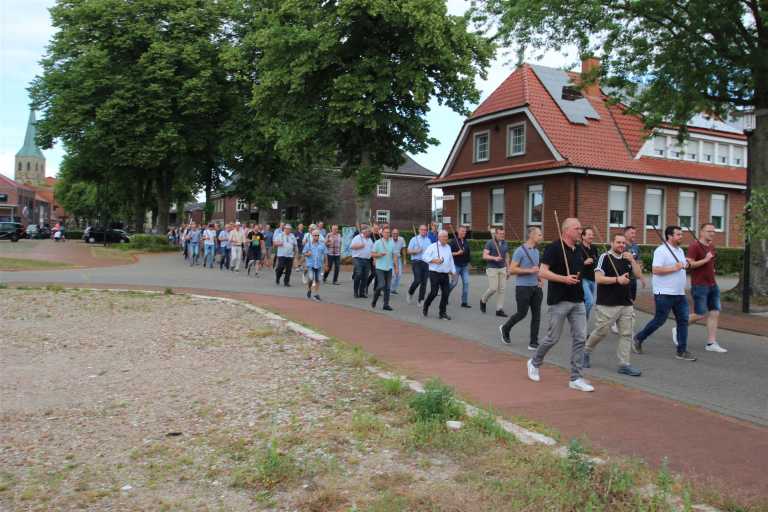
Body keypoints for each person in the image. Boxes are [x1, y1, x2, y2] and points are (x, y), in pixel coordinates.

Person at [528, 217, 594, 392]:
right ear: (566, 230)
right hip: (559, 300)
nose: (580, 231)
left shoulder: (578, 249)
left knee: (580, 338)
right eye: (577, 228)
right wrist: (564, 279)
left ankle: (576, 378)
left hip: (578, 300)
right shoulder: (554, 247)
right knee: (553, 338)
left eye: (580, 228)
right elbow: (542, 272)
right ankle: (534, 362)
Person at [582, 233, 643, 377]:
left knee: (626, 334)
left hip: (626, 303)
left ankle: (624, 364)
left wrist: (632, 260)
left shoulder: (627, 258)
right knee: (602, 331)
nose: (621, 245)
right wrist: (617, 279)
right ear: (612, 243)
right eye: (618, 242)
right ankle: (585, 351)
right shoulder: (605, 257)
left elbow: (638, 274)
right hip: (607, 303)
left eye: (623, 243)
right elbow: (598, 278)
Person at [633, 225, 697, 361]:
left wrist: (686, 264)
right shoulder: (661, 250)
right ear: (670, 236)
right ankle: (639, 338)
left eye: (681, 234)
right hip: (664, 293)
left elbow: (682, 266)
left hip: (679, 293)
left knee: (683, 321)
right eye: (678, 234)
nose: (681, 237)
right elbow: (655, 270)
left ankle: (681, 350)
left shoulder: (679, 251)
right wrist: (675, 267)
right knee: (659, 320)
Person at [685, 223, 727, 352]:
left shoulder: (711, 246)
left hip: (713, 284)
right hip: (699, 285)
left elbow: (710, 263)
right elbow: (689, 265)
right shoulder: (694, 246)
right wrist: (705, 259)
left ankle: (711, 343)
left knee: (715, 312)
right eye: (709, 231)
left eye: (713, 231)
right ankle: (680, 327)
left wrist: (711, 267)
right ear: (701, 232)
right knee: (700, 314)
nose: (712, 233)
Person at [499, 226, 543, 350]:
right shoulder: (520, 251)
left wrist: (540, 279)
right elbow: (512, 270)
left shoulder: (536, 251)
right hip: (523, 287)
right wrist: (529, 270)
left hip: (536, 287)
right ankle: (505, 328)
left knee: (537, 315)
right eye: (539, 235)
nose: (541, 237)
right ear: (531, 235)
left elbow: (537, 269)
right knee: (522, 313)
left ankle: (533, 342)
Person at [611, 226, 646, 333]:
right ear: (625, 233)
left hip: (633, 278)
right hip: (623, 277)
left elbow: (638, 261)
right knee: (625, 301)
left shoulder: (635, 247)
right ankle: (620, 324)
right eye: (631, 233)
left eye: (635, 233)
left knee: (631, 300)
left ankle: (621, 322)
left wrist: (641, 276)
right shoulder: (621, 246)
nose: (634, 235)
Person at [422, 230, 456, 320]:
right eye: (444, 236)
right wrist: (434, 260)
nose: (446, 238)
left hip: (445, 273)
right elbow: (424, 257)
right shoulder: (432, 246)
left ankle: (442, 313)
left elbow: (451, 260)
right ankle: (426, 305)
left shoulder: (448, 247)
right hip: (434, 273)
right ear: (439, 237)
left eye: (446, 236)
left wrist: (453, 271)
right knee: (434, 292)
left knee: (446, 293)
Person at [480, 228, 510, 317]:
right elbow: (484, 256)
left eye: (503, 234)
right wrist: (494, 258)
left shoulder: (505, 243)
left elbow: (507, 256)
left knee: (502, 289)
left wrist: (508, 269)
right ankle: (483, 300)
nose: (502, 235)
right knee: (493, 288)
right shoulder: (490, 243)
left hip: (502, 268)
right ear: (496, 234)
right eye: (500, 234)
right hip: (492, 268)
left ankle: (499, 309)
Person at [371, 227, 398, 310]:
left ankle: (386, 305)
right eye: (385, 232)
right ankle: (374, 300)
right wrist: (379, 255)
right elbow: (372, 254)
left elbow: (394, 256)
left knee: (388, 287)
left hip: (389, 268)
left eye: (388, 232)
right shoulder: (378, 242)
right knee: (382, 284)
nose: (387, 234)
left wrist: (396, 267)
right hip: (380, 267)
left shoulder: (392, 243)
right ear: (382, 233)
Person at [449, 225, 472, 308]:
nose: (464, 232)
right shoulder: (453, 241)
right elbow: (448, 253)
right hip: (456, 265)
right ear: (458, 231)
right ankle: (445, 294)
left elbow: (468, 253)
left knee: (466, 283)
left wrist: (469, 263)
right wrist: (457, 253)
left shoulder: (466, 241)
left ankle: (464, 302)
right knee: (454, 283)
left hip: (465, 266)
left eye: (465, 231)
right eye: (462, 231)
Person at [579, 227, 599, 319]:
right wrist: (584, 262)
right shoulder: (578, 248)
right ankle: (581, 320)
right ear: (583, 236)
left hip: (592, 279)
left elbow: (596, 262)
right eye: (589, 234)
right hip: (583, 278)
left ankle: (583, 323)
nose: (592, 236)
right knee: (590, 301)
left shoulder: (594, 248)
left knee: (586, 302)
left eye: (592, 235)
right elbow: (574, 264)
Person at [350, 225, 374, 298]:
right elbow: (351, 246)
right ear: (364, 231)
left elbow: (372, 250)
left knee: (365, 276)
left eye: (370, 232)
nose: (370, 233)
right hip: (358, 258)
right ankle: (355, 292)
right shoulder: (357, 237)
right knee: (358, 274)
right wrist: (359, 246)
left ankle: (362, 292)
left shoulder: (370, 240)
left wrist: (373, 259)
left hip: (367, 259)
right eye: (369, 231)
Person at [304, 229, 327, 301]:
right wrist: (307, 254)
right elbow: (304, 253)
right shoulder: (308, 244)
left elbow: (325, 255)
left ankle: (316, 294)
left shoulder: (322, 245)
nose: (316, 237)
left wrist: (326, 264)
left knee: (317, 280)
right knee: (311, 278)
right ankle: (309, 289)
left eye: (317, 235)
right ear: (312, 236)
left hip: (319, 265)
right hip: (310, 264)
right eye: (315, 235)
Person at [389, 228, 406, 294]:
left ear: (398, 234)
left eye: (396, 233)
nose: (395, 235)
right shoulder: (389, 240)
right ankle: (389, 288)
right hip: (390, 259)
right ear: (391, 234)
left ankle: (393, 289)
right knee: (393, 275)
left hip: (398, 258)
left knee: (399, 274)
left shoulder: (401, 239)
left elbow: (403, 249)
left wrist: (404, 259)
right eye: (394, 233)